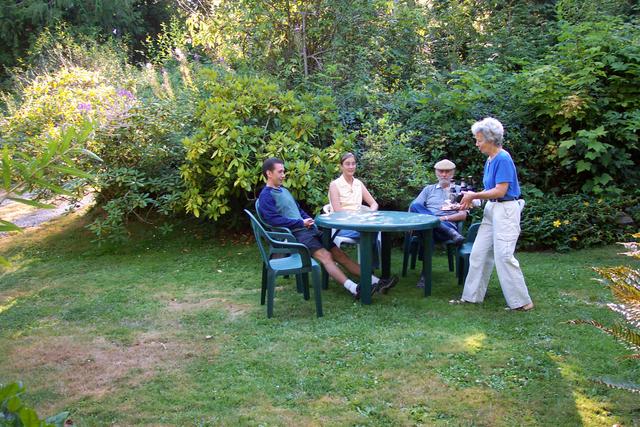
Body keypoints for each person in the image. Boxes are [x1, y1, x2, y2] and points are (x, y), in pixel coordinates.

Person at [257, 157, 397, 299]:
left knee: (341, 255)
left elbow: (298, 210)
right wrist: (300, 223)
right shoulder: (266, 196)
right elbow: (273, 220)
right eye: (280, 172)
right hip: (295, 235)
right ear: (269, 173)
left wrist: (308, 220)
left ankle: (377, 282)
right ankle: (354, 289)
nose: (283, 175)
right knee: (326, 256)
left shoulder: (284, 190)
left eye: (283, 171)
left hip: (307, 229)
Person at [452, 117, 533, 311]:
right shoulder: (490, 160)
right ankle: (471, 297)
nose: (476, 143)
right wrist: (471, 201)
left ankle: (522, 302)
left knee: (504, 256)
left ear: (490, 139)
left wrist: (474, 195)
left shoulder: (503, 158)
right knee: (478, 253)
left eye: (479, 140)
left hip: (506, 210)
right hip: (493, 209)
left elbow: (501, 191)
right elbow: (490, 192)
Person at [409, 159, 467, 288]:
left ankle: (425, 274)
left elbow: (463, 215)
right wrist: (433, 220)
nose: (444, 174)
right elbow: (414, 208)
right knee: (416, 206)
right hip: (442, 231)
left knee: (427, 231)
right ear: (436, 173)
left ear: (453, 173)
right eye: (441, 171)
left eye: (447, 172)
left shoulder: (460, 191)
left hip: (447, 226)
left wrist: (443, 219)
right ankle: (444, 230)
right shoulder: (428, 190)